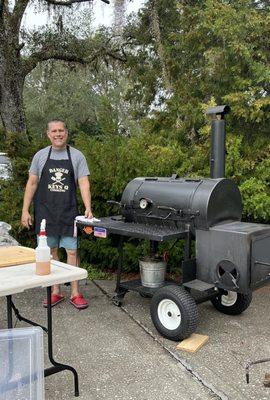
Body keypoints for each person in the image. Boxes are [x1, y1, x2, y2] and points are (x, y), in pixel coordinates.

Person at [21, 120, 92, 309]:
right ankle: (56, 291)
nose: (58, 134)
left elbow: (83, 183)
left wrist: (88, 207)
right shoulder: (40, 156)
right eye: (54, 131)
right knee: (50, 253)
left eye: (61, 130)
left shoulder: (77, 156)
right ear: (48, 134)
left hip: (69, 212)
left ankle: (75, 293)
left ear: (66, 133)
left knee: (72, 251)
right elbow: (32, 183)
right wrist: (25, 210)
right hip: (45, 213)